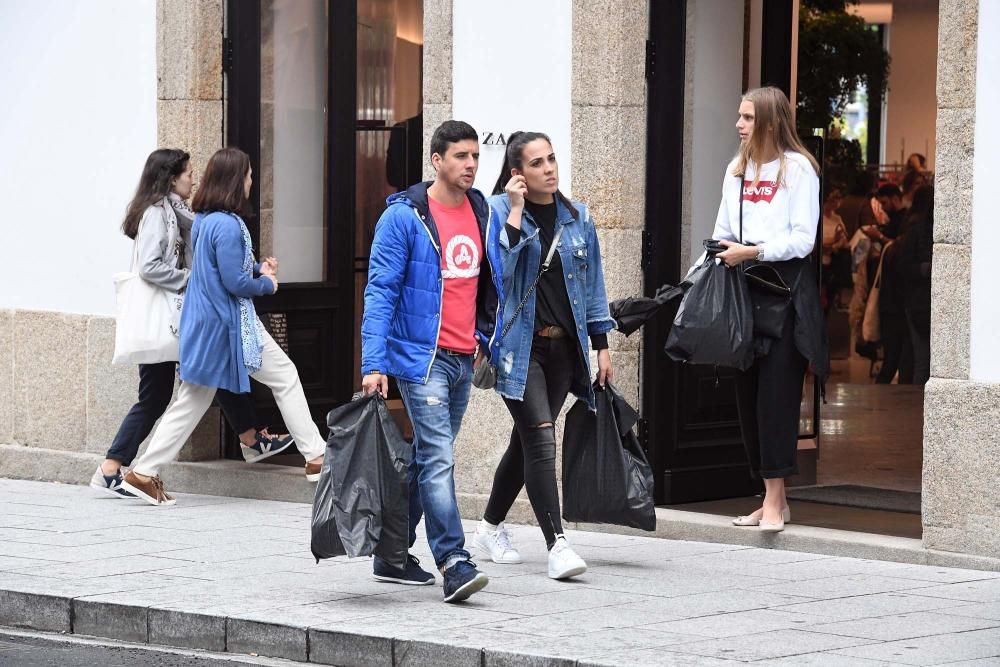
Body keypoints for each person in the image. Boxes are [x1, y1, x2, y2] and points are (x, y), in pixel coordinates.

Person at [120, 147, 326, 505]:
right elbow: (234, 282)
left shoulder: (204, 220)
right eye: (247, 175)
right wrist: (267, 284)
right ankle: (316, 457)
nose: (251, 181)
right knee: (284, 376)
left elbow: (222, 270)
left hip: (209, 323)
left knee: (192, 400)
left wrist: (257, 268)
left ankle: (143, 472)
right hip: (230, 325)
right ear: (236, 180)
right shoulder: (229, 225)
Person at [360, 120, 501, 603]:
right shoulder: (404, 218)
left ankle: (392, 552)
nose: (470, 165)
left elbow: (489, 280)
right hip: (422, 358)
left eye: (476, 156)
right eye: (461, 156)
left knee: (426, 458)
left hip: (465, 354)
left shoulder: (481, 209)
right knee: (439, 456)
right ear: (436, 161)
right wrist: (373, 362)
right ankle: (454, 562)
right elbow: (380, 291)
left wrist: (486, 335)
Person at [472, 131, 615, 578]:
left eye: (551, 159)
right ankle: (558, 545)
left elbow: (592, 289)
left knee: (528, 440)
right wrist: (515, 213)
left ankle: (489, 528)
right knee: (539, 436)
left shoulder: (578, 218)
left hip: (562, 349)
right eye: (537, 163)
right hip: (518, 349)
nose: (549, 168)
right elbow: (501, 273)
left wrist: (602, 345)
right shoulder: (497, 212)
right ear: (518, 174)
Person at [711, 87, 828, 532]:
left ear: (770, 123)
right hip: (744, 296)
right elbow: (723, 229)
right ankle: (767, 496)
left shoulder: (798, 170)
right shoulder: (737, 169)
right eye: (738, 116)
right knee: (748, 400)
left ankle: (777, 501)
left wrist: (752, 252)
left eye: (746, 117)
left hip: (785, 298)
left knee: (776, 400)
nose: (738, 125)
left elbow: (803, 239)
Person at [899, 185, 934, 384]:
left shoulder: (916, 230)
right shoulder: (917, 232)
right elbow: (903, 266)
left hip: (922, 303)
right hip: (919, 304)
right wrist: (924, 269)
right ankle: (917, 408)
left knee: (922, 360)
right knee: (922, 360)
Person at [821, 187, 850, 311]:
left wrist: (835, 244)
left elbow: (844, 237)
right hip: (820, 257)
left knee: (831, 286)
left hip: (833, 257)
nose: (834, 203)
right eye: (831, 200)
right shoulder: (817, 217)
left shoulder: (837, 218)